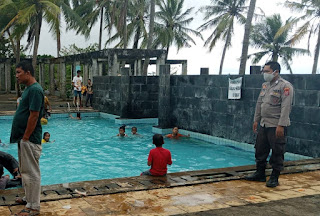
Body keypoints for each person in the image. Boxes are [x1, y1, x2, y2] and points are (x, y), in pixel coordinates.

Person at [244, 61, 294, 188]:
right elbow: (259, 103)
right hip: (264, 124)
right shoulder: (265, 85)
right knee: (260, 149)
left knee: (277, 151)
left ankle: (274, 177)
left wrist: (281, 125)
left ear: (275, 72)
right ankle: (260, 174)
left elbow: (286, 107)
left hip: (276, 125)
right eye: (264, 71)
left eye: (267, 71)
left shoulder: (285, 86)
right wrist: (256, 120)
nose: (264, 74)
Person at [10, 61, 44, 215]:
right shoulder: (28, 90)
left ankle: (33, 207)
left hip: (29, 139)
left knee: (32, 173)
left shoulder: (35, 90)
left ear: (28, 73)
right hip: (23, 139)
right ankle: (28, 198)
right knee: (25, 171)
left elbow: (34, 115)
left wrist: (26, 137)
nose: (16, 76)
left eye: (18, 72)